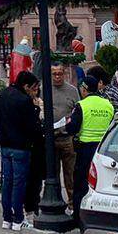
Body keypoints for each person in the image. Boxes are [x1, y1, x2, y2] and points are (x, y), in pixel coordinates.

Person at [0, 70, 40, 231]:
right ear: (25, 86)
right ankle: (18, 218)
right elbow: (32, 126)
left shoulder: (1, 96)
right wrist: (36, 109)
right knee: (18, 183)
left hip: (5, 144)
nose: (34, 91)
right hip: (20, 146)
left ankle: (7, 217)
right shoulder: (24, 101)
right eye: (33, 87)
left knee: (7, 182)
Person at [69, 68, 115, 217]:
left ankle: (78, 215)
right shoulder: (108, 104)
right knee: (101, 183)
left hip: (85, 149)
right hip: (104, 149)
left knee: (81, 184)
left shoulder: (82, 105)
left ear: (84, 89)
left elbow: (72, 128)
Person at [47, 62, 81, 211]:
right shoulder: (45, 89)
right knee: (52, 173)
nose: (57, 77)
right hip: (50, 138)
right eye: (54, 74)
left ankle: (72, 204)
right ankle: (54, 201)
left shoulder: (72, 91)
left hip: (67, 137)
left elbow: (78, 111)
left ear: (64, 74)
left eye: (59, 73)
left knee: (70, 173)